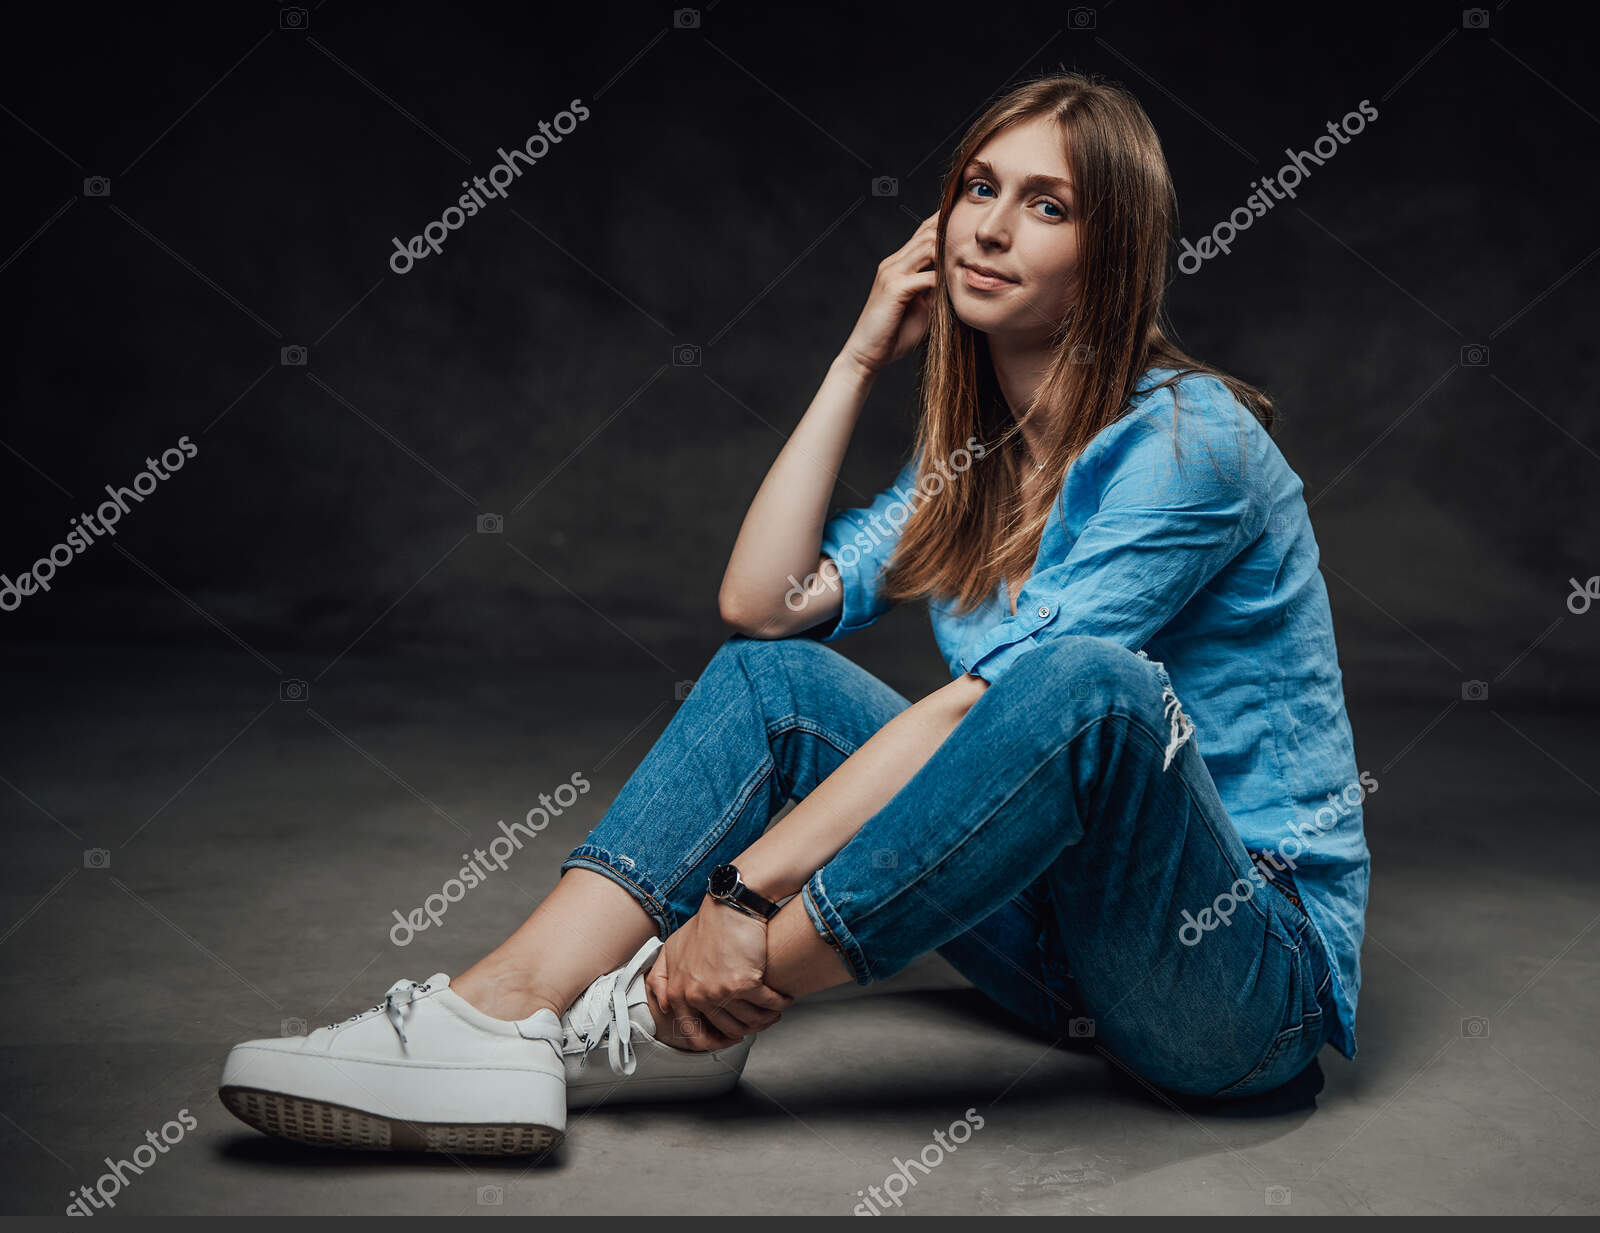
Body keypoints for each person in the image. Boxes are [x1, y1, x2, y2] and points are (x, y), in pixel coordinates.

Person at [219, 71, 1370, 1156]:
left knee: (1088, 687)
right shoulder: (973, 463)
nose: (989, 228)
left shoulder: (1192, 440)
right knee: (771, 683)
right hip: (1061, 955)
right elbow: (761, 603)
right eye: (977, 187)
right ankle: (498, 1013)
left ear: (1111, 252)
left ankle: (657, 1012)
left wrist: (740, 896)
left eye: (1045, 205)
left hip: (1238, 981)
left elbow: (995, 704)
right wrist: (859, 352)